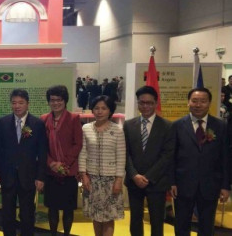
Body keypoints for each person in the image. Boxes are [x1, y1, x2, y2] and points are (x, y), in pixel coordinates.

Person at [170, 87, 230, 236]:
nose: (198, 105)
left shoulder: (220, 126)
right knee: (181, 225)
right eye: (194, 101)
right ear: (188, 103)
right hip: (183, 185)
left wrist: (225, 186)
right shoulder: (177, 126)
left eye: (203, 101)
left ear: (209, 103)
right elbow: (171, 157)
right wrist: (171, 182)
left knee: (207, 226)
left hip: (210, 185)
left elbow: (226, 157)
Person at [0, 88, 47, 236]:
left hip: (28, 176)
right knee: (7, 213)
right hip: (7, 175)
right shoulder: (2, 123)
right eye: (14, 102)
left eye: (21, 102)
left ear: (28, 104)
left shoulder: (37, 124)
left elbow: (42, 153)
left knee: (27, 213)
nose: (17, 106)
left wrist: (40, 177)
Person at [123, 86, 174, 236]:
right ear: (138, 103)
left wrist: (148, 177)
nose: (145, 106)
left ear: (156, 104)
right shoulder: (129, 125)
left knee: (157, 221)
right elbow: (124, 153)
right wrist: (134, 175)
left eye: (149, 103)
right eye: (142, 103)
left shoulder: (167, 126)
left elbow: (167, 155)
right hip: (134, 181)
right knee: (135, 220)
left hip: (157, 182)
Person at [79, 95, 125, 236]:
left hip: (110, 181)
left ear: (110, 110)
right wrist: (83, 175)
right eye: (96, 108)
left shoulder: (117, 130)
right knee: (96, 215)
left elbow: (121, 156)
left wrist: (118, 180)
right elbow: (82, 152)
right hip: (91, 179)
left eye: (104, 108)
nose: (99, 111)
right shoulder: (86, 128)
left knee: (108, 216)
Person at [40, 85, 82, 236]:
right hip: (50, 171)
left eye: (59, 100)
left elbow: (78, 143)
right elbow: (41, 146)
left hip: (69, 171)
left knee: (68, 209)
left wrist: (63, 164)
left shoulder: (74, 118)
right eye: (52, 100)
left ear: (65, 101)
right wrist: (52, 163)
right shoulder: (44, 119)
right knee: (52, 208)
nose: (55, 103)